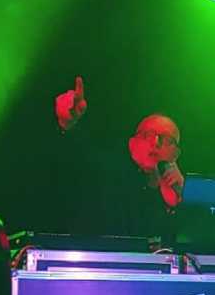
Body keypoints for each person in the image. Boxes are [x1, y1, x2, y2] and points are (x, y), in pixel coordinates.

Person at [50, 75, 185, 239]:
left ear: (175, 155)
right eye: (148, 135)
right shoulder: (104, 171)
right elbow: (70, 157)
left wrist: (182, 198)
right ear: (132, 142)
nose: (155, 143)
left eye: (167, 140)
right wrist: (68, 124)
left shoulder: (176, 195)